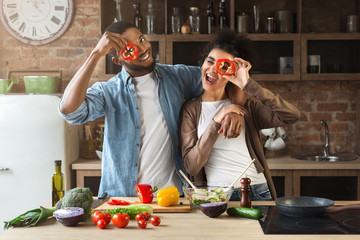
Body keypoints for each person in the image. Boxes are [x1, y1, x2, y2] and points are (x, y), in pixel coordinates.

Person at [58, 22, 243, 197]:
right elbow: (70, 111)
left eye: (141, 39)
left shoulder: (178, 77)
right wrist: (96, 54)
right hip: (125, 199)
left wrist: (235, 110)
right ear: (117, 60)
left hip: (173, 197)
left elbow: (228, 78)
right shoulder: (109, 91)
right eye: (128, 48)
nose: (142, 49)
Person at [179, 29, 301, 200]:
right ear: (202, 63)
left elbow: (291, 115)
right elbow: (192, 166)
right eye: (210, 61)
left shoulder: (248, 107)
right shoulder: (190, 110)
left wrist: (248, 85)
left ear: (232, 73)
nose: (213, 70)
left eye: (223, 66)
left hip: (255, 191)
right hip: (217, 196)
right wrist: (216, 121)